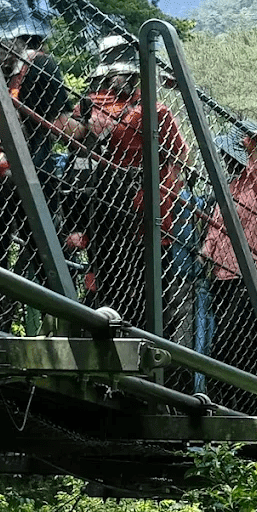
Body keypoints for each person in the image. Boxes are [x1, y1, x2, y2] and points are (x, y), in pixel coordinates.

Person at [0, 0, 77, 331]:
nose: (1, 48)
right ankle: (65, 327)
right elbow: (61, 127)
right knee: (47, 256)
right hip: (30, 179)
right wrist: (86, 130)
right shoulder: (41, 65)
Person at [74, 39, 190, 329]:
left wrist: (163, 197)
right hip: (107, 212)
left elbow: (179, 158)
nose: (122, 78)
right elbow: (73, 148)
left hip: (137, 213)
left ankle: (141, 335)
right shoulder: (90, 107)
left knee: (143, 289)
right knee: (117, 286)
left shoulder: (153, 110)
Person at [200, 124, 257, 412]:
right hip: (223, 277)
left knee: (240, 344)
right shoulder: (230, 186)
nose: (224, 160)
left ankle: (248, 405)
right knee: (230, 343)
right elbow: (217, 224)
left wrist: (253, 155)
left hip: (254, 275)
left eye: (229, 155)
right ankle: (231, 403)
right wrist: (206, 252)